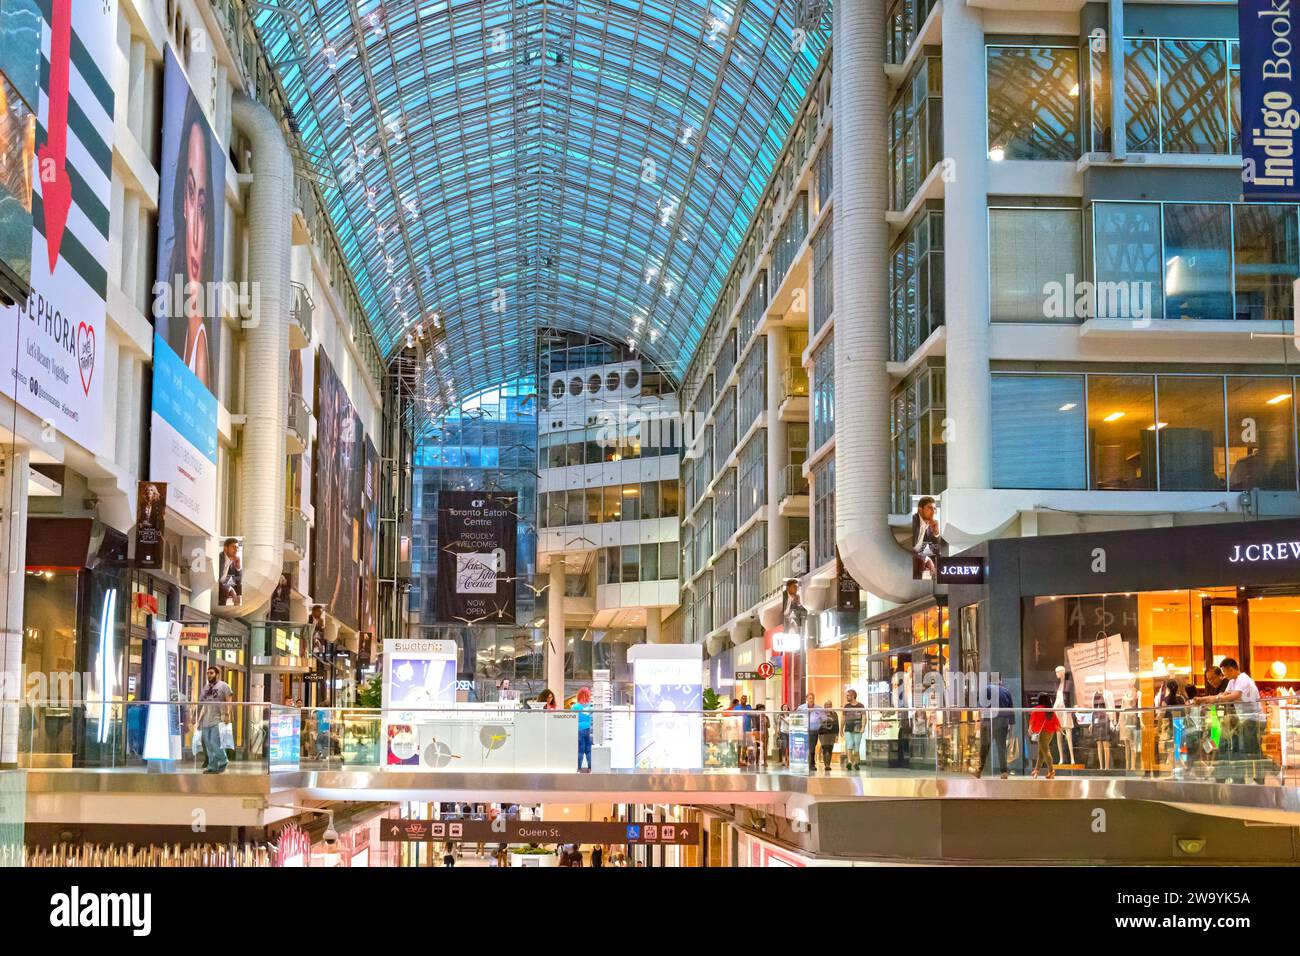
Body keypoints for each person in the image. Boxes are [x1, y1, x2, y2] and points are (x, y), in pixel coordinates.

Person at [166, 94, 216, 390]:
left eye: (204, 206)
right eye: (189, 191)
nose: (196, 233)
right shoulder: (183, 327)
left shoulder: (199, 348)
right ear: (181, 206)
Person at [1196, 658, 1264, 784]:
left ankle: (1259, 778)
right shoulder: (1232, 681)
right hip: (1243, 720)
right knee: (1242, 749)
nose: (1224, 675)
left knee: (1251, 750)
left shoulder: (1243, 679)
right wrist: (1205, 699)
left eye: (1225, 672)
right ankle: (1242, 778)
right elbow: (1223, 696)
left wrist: (1214, 699)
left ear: (1231, 669)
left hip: (1252, 719)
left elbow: (1234, 696)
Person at [194, 666, 233, 774]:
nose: (209, 675)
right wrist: (196, 717)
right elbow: (200, 703)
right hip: (206, 719)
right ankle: (212, 766)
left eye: (211, 673)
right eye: (207, 673)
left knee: (214, 742)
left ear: (217, 674)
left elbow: (228, 700)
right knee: (208, 744)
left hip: (218, 718)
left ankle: (223, 760)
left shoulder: (224, 686)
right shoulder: (206, 688)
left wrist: (227, 714)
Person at [976, 679, 1015, 779]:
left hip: (988, 721)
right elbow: (1011, 711)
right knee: (1001, 747)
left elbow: (980, 705)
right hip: (1002, 722)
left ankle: (979, 770)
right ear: (1000, 681)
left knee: (984, 746)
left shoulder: (986, 689)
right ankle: (1004, 772)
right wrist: (1011, 726)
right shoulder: (1006, 691)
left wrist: (979, 721)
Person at [910, 496, 947, 579]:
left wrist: (936, 534)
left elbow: (936, 551)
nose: (933, 511)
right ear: (920, 510)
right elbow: (907, 549)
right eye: (929, 508)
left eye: (934, 508)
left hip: (917, 561)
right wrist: (926, 559)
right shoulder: (913, 522)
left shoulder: (929, 526)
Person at [1028, 693, 1061, 779]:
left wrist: (1030, 728)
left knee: (1045, 751)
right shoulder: (1050, 710)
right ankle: (1036, 770)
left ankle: (1051, 770)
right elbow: (1056, 722)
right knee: (1041, 752)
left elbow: (1032, 720)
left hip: (1042, 733)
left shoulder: (1037, 709)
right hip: (1050, 733)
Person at [796, 692, 824, 771]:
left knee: (812, 749)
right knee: (803, 748)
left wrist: (822, 718)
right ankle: (803, 764)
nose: (811, 700)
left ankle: (812, 764)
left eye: (812, 698)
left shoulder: (818, 708)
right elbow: (796, 716)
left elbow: (824, 718)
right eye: (809, 698)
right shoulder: (801, 708)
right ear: (807, 699)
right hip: (803, 731)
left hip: (813, 731)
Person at [572, 687, 593, 771]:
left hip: (578, 729)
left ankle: (578, 768)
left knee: (580, 750)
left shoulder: (575, 707)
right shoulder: (591, 707)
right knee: (588, 750)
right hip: (588, 729)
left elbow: (571, 718)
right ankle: (590, 767)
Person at [843, 689, 865, 770]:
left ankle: (856, 762)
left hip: (858, 728)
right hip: (848, 728)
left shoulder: (861, 706)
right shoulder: (846, 706)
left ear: (853, 696)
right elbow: (843, 718)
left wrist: (863, 727)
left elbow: (864, 717)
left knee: (856, 745)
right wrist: (841, 728)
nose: (847, 697)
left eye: (848, 695)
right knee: (849, 743)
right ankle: (849, 761)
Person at [217, 538, 242, 606]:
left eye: (237, 548)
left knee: (240, 586)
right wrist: (230, 589)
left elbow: (239, 580)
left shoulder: (233, 560)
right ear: (225, 548)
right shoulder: (219, 558)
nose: (236, 550)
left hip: (223, 586)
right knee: (224, 590)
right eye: (233, 547)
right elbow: (217, 579)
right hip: (215, 587)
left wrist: (238, 567)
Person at [817, 700, 839, 773]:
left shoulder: (834, 714)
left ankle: (828, 764)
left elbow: (836, 724)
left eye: (829, 704)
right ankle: (826, 765)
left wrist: (837, 735)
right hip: (823, 733)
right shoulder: (821, 713)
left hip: (832, 733)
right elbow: (818, 723)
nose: (828, 706)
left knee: (830, 749)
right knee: (825, 748)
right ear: (824, 705)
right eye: (826, 704)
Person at [734, 694, 753, 767]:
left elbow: (752, 716)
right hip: (739, 730)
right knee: (739, 745)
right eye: (743, 698)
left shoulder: (749, 707)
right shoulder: (736, 708)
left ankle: (743, 760)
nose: (744, 700)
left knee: (745, 745)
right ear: (740, 699)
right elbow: (734, 717)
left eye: (745, 698)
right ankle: (738, 760)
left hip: (747, 729)